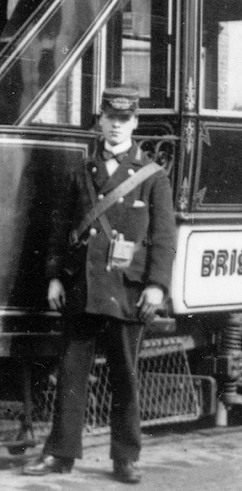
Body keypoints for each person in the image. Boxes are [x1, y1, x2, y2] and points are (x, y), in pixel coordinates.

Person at [23, 85, 176, 484]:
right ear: (101, 120)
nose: (116, 127)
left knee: (125, 375)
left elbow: (163, 238)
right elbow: (61, 228)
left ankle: (126, 457)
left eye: (124, 120)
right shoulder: (82, 172)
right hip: (82, 287)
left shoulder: (152, 177)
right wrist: (55, 277)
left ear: (135, 123)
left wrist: (157, 286)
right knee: (72, 372)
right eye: (110, 118)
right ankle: (61, 454)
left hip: (128, 291)